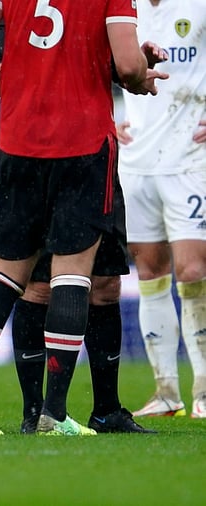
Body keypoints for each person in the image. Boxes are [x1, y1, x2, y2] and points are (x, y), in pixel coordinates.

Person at [0, 0, 167, 436]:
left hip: (21, 147)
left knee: (6, 276)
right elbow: (126, 62)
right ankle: (53, 414)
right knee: (71, 277)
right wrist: (138, 73)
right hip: (82, 146)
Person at [117, 0, 206, 419]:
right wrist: (106, 114)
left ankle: (204, 391)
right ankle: (167, 392)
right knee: (151, 271)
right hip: (137, 158)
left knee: (193, 271)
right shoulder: (121, 8)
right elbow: (92, 64)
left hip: (191, 157)